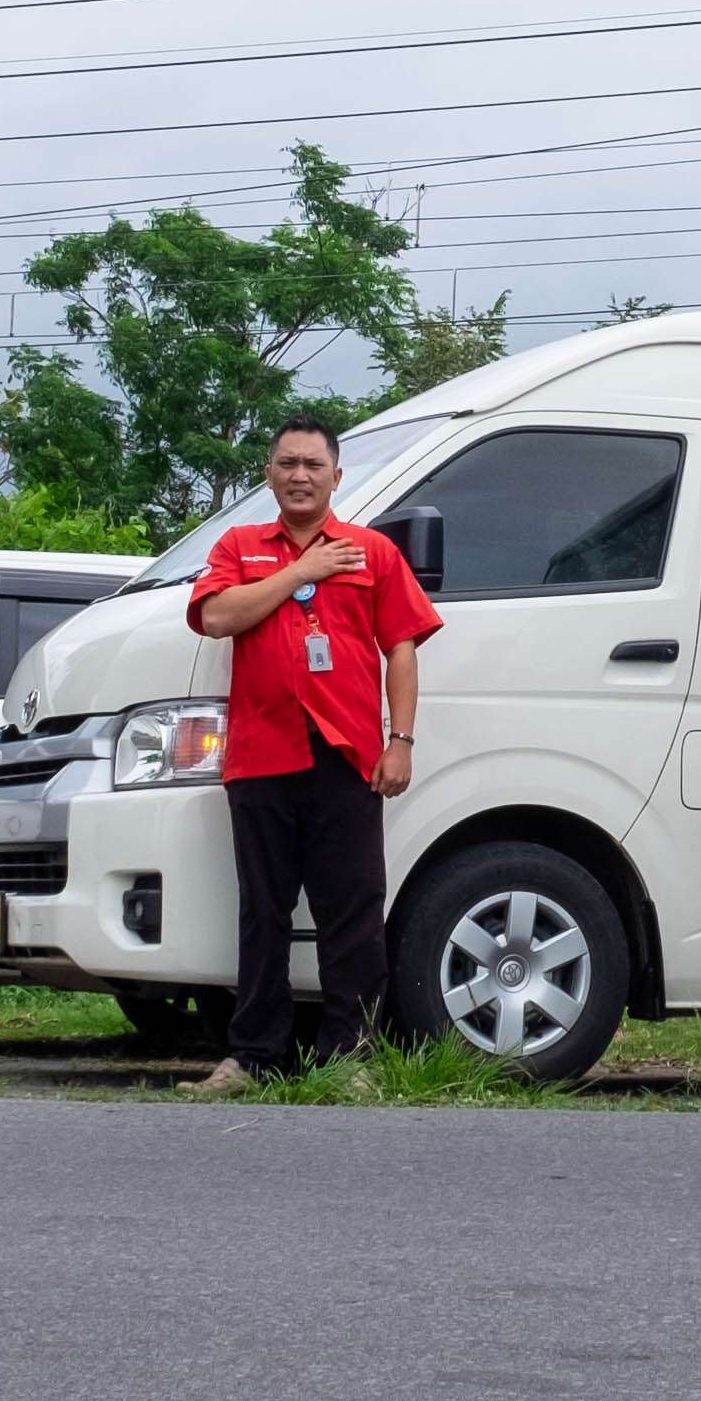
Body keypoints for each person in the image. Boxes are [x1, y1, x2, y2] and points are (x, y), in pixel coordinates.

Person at [182, 418, 442, 1084]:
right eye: (287, 463)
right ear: (268, 474)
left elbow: (402, 651)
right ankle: (252, 1058)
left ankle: (348, 1058)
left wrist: (400, 743)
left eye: (313, 465)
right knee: (262, 912)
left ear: (336, 476)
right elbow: (216, 617)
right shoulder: (240, 545)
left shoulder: (371, 552)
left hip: (347, 756)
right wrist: (301, 569)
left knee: (351, 911)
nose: (300, 475)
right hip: (261, 754)